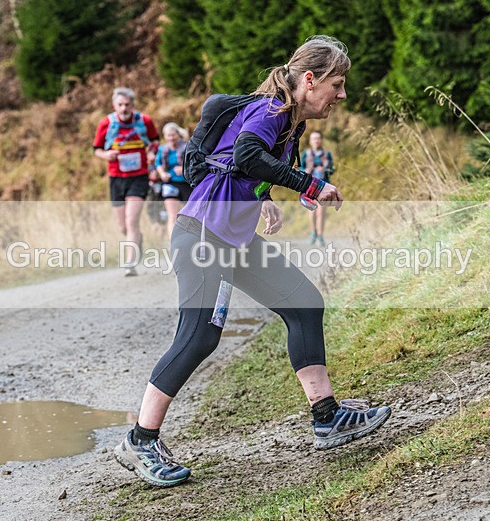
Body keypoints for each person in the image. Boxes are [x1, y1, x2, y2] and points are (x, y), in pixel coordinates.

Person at [113, 36, 391, 488]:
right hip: (204, 236)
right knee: (199, 336)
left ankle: (326, 416)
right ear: (309, 80)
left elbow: (242, 168)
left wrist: (263, 199)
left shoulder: (288, 124)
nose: (341, 95)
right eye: (336, 84)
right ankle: (141, 439)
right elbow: (245, 153)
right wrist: (311, 184)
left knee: (304, 303)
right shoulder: (270, 111)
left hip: (235, 238)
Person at [93, 87, 159, 276]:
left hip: (139, 177)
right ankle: (137, 240)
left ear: (133, 105)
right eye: (120, 105)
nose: (124, 109)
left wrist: (152, 153)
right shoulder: (106, 123)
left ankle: (130, 262)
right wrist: (106, 155)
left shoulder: (144, 121)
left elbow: (154, 140)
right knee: (123, 226)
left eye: (127, 105)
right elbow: (96, 148)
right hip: (116, 178)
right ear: (114, 105)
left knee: (132, 221)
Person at [154, 122, 193, 237]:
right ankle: (173, 243)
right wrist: (162, 173)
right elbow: (158, 163)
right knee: (172, 215)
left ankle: (188, 239)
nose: (171, 138)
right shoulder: (163, 149)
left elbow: (194, 163)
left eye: (173, 135)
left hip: (186, 183)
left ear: (178, 134)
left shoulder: (187, 147)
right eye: (168, 135)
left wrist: (184, 169)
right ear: (164, 136)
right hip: (170, 184)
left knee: (190, 215)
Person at [301, 130, 334, 246]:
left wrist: (324, 170)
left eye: (318, 138)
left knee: (321, 212)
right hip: (310, 187)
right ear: (310, 141)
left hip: (323, 186)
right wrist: (305, 171)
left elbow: (332, 170)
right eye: (314, 138)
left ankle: (320, 235)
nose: (316, 141)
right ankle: (313, 232)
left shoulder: (327, 154)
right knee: (312, 210)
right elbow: (300, 168)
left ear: (321, 140)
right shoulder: (306, 154)